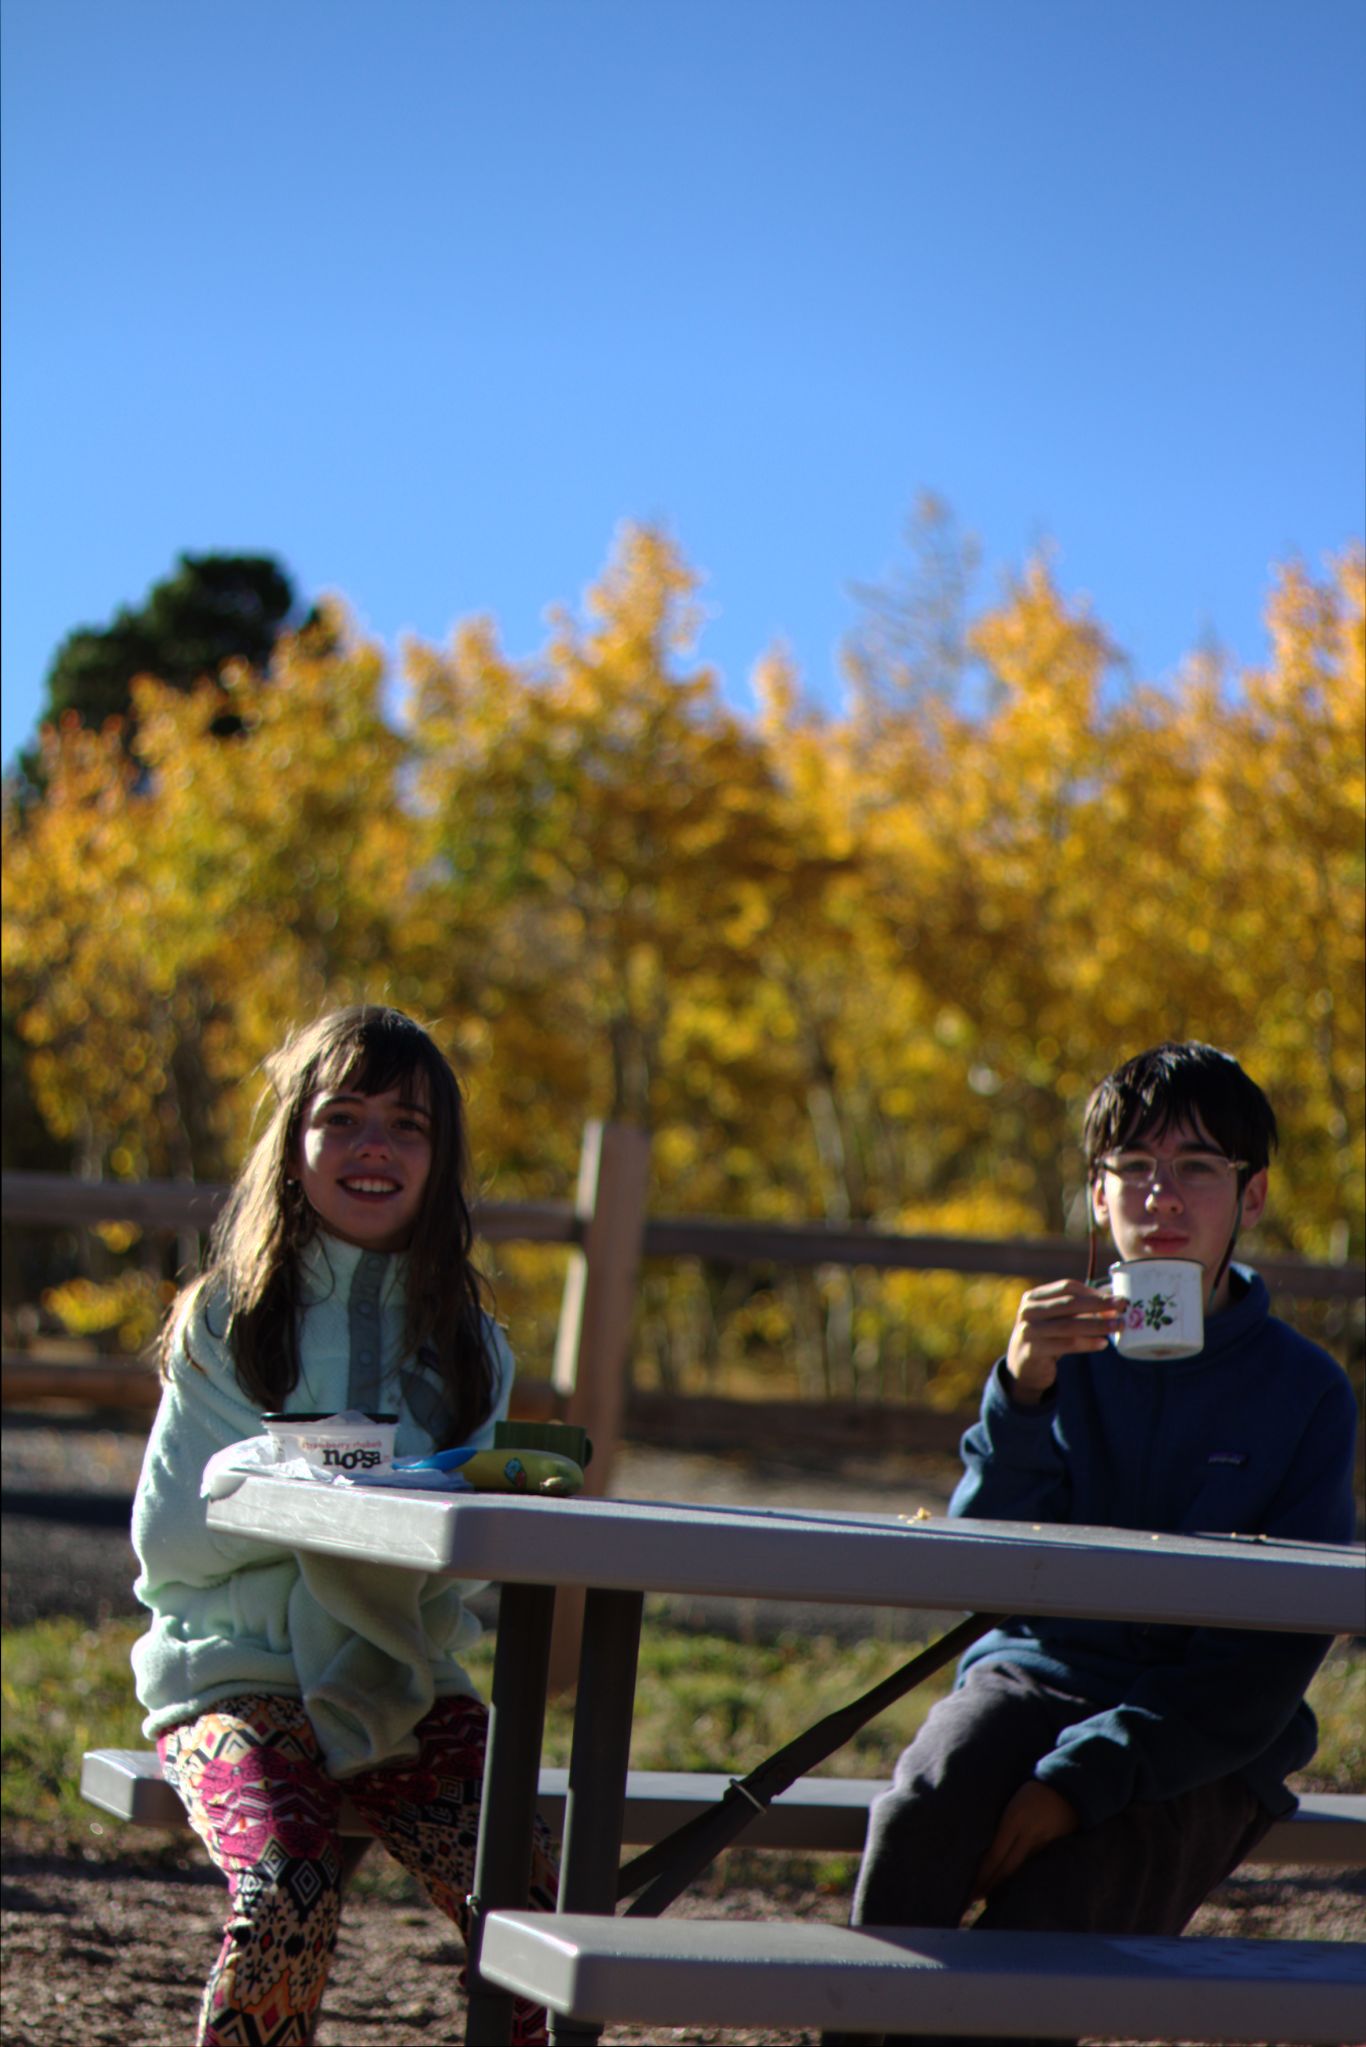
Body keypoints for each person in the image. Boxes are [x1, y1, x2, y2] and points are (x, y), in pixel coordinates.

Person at [844, 1041, 1358, 2047]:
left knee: (1058, 1907)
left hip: (1206, 1735)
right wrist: (1019, 1396)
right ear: (1096, 1195)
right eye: (1134, 1168)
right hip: (1033, 1676)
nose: (1161, 1196)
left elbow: (1268, 1657)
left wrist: (1080, 1778)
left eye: (1198, 1169)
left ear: (1249, 1202)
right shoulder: (1058, 1349)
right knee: (920, 1814)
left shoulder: (1305, 1392)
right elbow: (979, 1565)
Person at [131, 1005, 558, 2047]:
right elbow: (178, 1536)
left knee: (536, 1910)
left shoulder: (469, 1345)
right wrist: (357, 1464)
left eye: (406, 1125)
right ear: (296, 1143)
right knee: (287, 1886)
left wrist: (420, 1485)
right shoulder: (228, 1318)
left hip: (404, 1683)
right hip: (237, 1676)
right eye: (344, 1117)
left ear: (441, 1156)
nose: (374, 1146)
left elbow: (453, 1554)